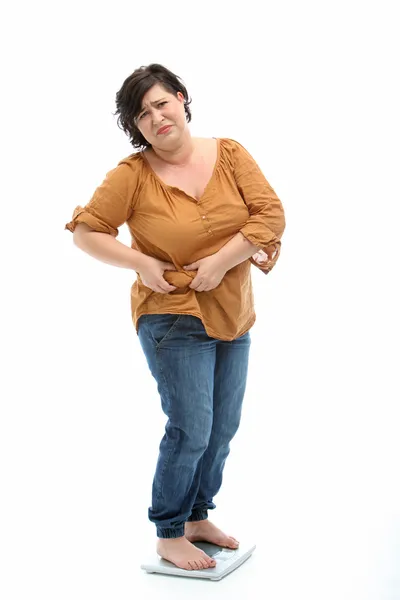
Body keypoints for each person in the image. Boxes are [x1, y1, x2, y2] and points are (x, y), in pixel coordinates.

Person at [65, 63, 285, 571]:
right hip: (172, 315)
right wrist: (141, 261)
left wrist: (221, 261)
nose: (156, 117)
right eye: (142, 115)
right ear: (136, 127)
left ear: (182, 99)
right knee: (191, 428)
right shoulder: (132, 175)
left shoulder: (229, 153)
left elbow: (269, 213)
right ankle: (168, 531)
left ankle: (196, 517)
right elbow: (87, 231)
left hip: (232, 311)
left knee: (223, 427)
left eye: (161, 103)